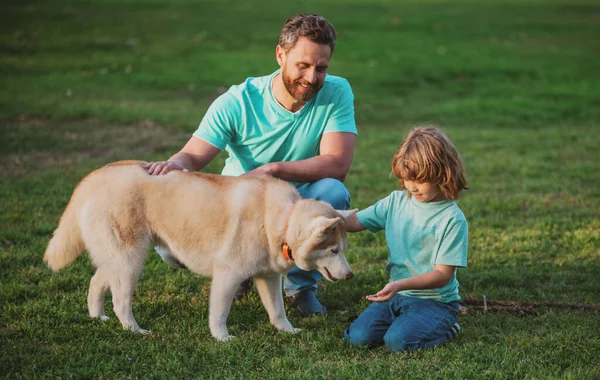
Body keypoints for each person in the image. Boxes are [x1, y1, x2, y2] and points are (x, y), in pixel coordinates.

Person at [144, 13, 357, 317]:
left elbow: (337, 165)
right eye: (303, 66)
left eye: (321, 68)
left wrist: (273, 170)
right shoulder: (238, 101)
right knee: (169, 252)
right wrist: (171, 165)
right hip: (240, 207)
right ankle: (243, 268)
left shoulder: (336, 92)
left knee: (332, 193)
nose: (312, 78)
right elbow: (191, 156)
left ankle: (300, 287)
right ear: (280, 55)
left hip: (299, 200)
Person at [343, 126, 468, 352]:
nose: (411, 186)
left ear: (442, 172)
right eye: (407, 178)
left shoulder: (452, 219)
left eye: (420, 179)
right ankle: (403, 322)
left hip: (435, 302)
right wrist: (321, 216)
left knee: (398, 342)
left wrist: (400, 284)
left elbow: (442, 275)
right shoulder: (395, 202)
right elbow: (355, 222)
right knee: (358, 337)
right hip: (396, 296)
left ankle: (448, 328)